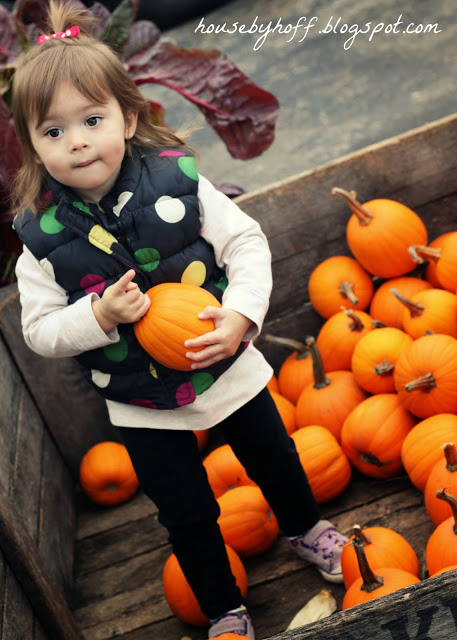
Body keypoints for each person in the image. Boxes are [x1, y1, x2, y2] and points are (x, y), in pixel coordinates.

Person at [11, 2, 347, 638]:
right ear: (31, 144)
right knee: (186, 513)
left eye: (91, 120)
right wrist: (97, 316)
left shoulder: (180, 182)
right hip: (142, 404)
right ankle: (224, 608)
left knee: (276, 459)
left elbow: (245, 244)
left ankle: (308, 531)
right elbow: (39, 330)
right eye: (52, 132)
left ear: (128, 116)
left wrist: (243, 315)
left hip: (224, 363)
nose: (76, 140)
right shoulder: (41, 240)